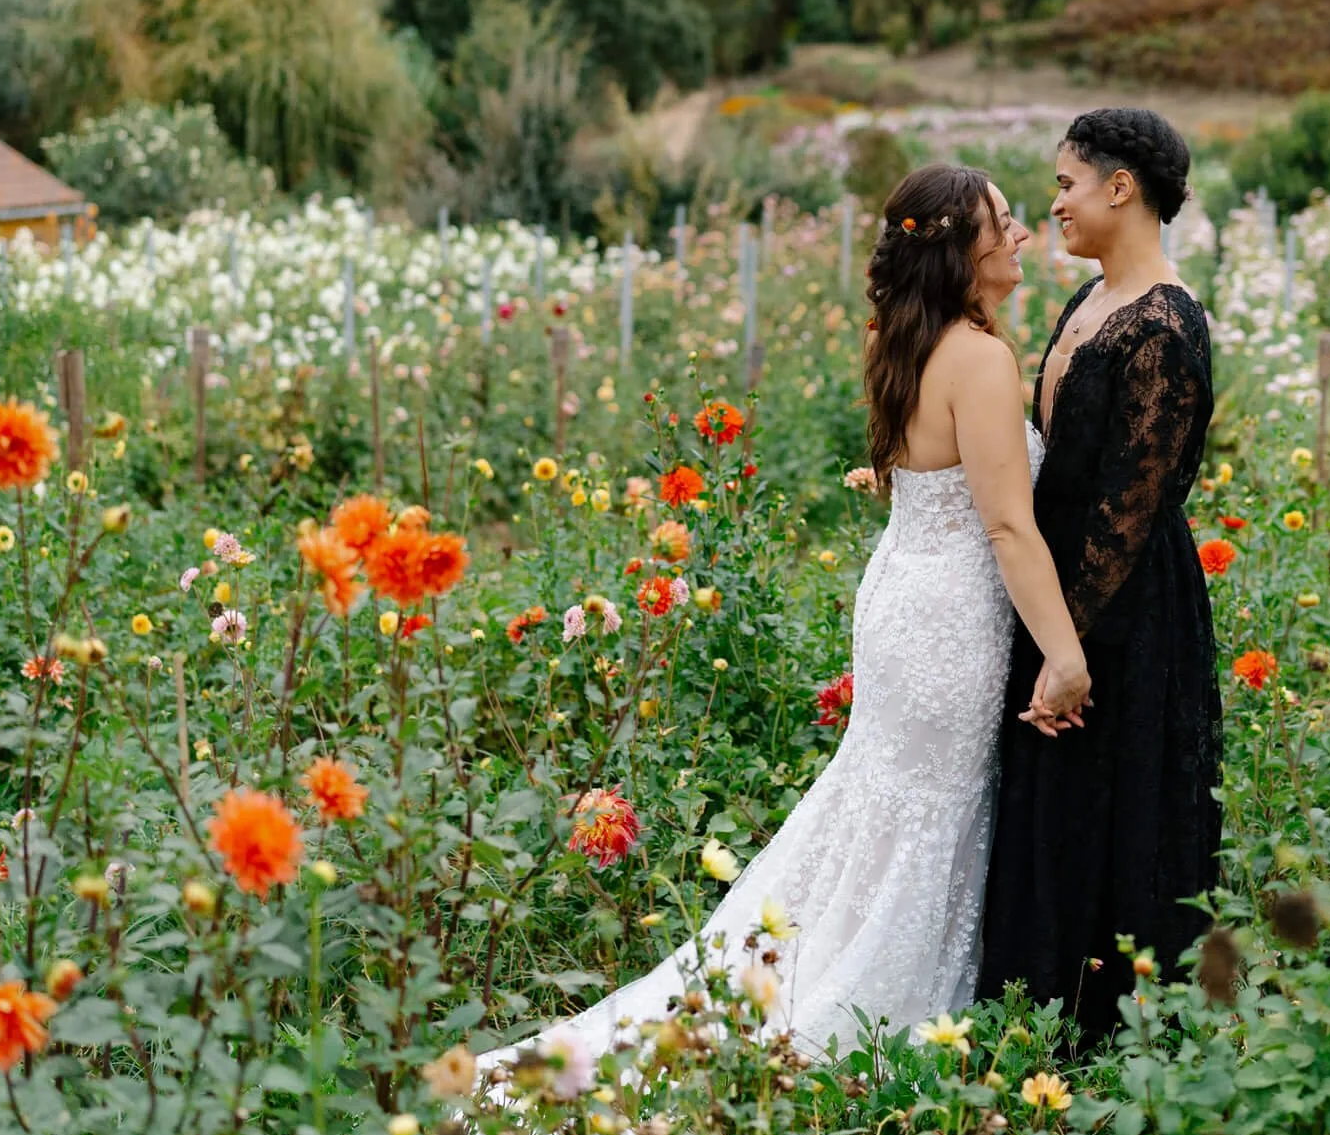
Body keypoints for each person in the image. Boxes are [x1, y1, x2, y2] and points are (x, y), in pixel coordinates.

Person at [491, 163, 1089, 1075]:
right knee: (922, 815)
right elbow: (1007, 523)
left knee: (880, 806)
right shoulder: (980, 356)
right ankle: (851, 1011)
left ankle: (795, 974)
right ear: (961, 252)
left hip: (901, 596)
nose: (1020, 234)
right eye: (1002, 223)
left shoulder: (914, 341)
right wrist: (1065, 655)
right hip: (948, 620)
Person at [978, 107, 1220, 1049]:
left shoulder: (1164, 324)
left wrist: (1063, 645)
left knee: (1110, 804)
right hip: (1059, 597)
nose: (1054, 205)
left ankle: (1108, 1039)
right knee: (1053, 803)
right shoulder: (1092, 302)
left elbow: (1131, 504)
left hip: (1121, 608)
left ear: (1121, 188)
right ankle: (1031, 1014)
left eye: (1066, 183)